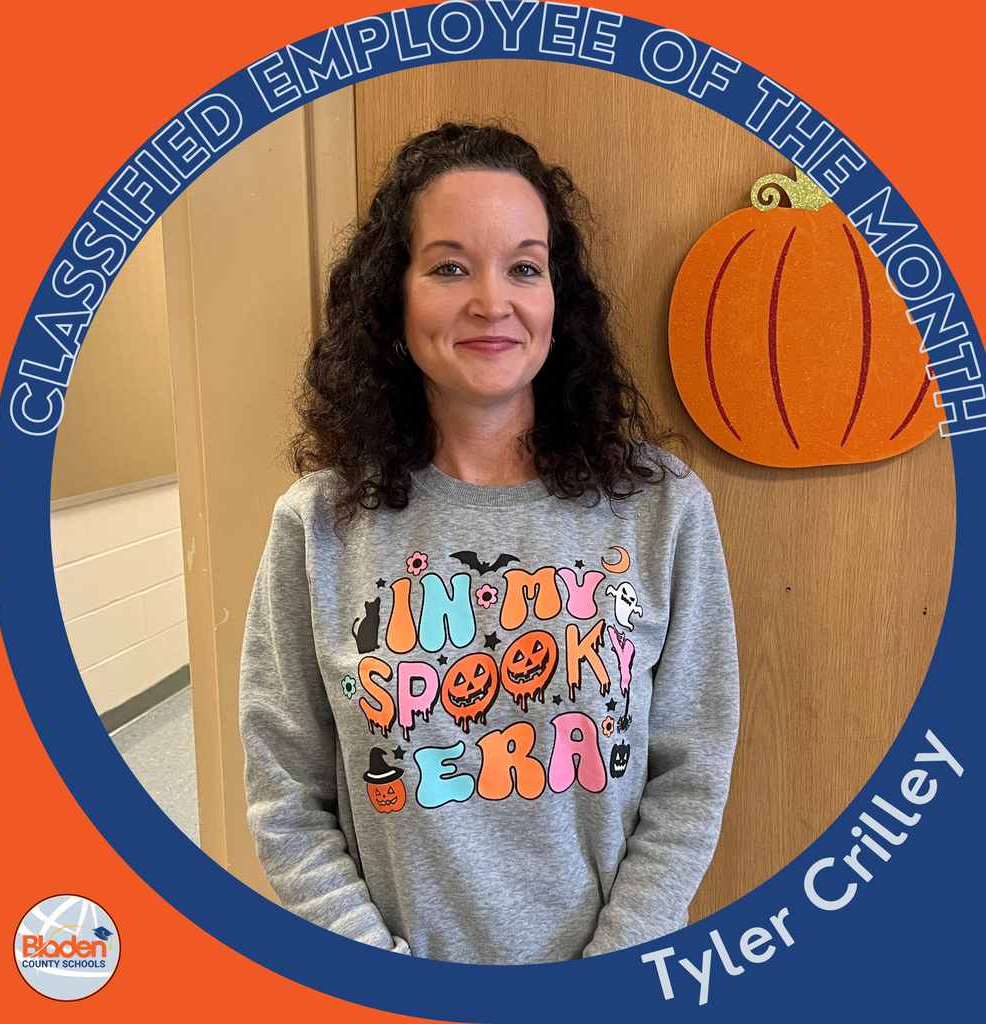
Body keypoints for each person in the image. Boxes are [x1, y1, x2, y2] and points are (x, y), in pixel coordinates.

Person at [239, 122, 739, 965]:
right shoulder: (316, 526)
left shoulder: (660, 509)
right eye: (447, 266)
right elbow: (285, 796)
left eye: (524, 267)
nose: (490, 301)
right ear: (392, 300)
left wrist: (612, 970)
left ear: (557, 300)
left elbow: (691, 774)